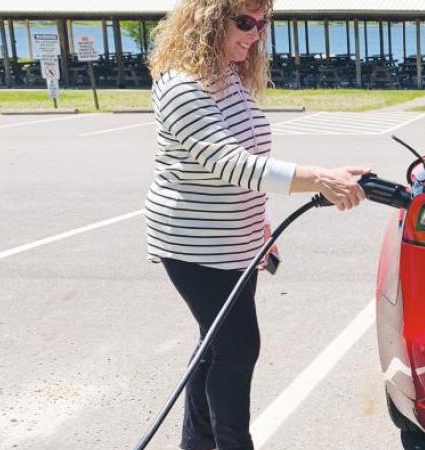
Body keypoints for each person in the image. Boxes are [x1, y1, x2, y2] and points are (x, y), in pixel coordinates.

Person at [144, 1, 367, 448]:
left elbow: (250, 158)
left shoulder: (226, 74)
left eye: (262, 22)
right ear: (208, 21)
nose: (256, 32)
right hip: (195, 245)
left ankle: (197, 444)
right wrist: (319, 178)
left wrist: (260, 226)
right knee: (237, 346)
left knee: (216, 346)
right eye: (244, 22)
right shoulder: (181, 87)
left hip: (236, 239)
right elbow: (231, 163)